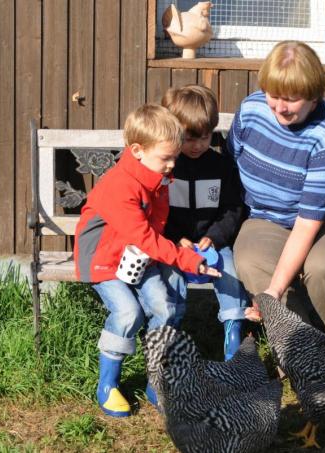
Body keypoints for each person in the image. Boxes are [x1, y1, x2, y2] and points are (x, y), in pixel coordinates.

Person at [74, 103, 220, 418]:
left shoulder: (158, 178)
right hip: (103, 260)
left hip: (137, 258)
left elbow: (155, 228)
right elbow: (145, 237)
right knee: (128, 312)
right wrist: (187, 260)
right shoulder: (120, 186)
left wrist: (176, 246)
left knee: (165, 308)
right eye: (166, 158)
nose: (172, 164)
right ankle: (108, 384)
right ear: (138, 151)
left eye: (175, 157)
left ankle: (156, 380)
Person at [226, 40, 325, 340]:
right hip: (268, 216)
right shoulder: (250, 111)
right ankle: (303, 351)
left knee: (322, 266)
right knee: (250, 261)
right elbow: (231, 164)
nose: (280, 107)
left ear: (314, 97)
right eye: (274, 95)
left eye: (291, 99)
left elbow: (307, 225)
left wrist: (274, 290)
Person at [159, 85, 250, 361]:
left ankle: (233, 335)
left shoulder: (221, 166)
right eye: (189, 139)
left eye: (205, 137)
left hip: (213, 245)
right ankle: (169, 340)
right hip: (175, 246)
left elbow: (233, 209)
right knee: (170, 280)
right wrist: (176, 238)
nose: (197, 145)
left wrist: (216, 236)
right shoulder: (166, 167)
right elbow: (158, 212)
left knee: (230, 274)